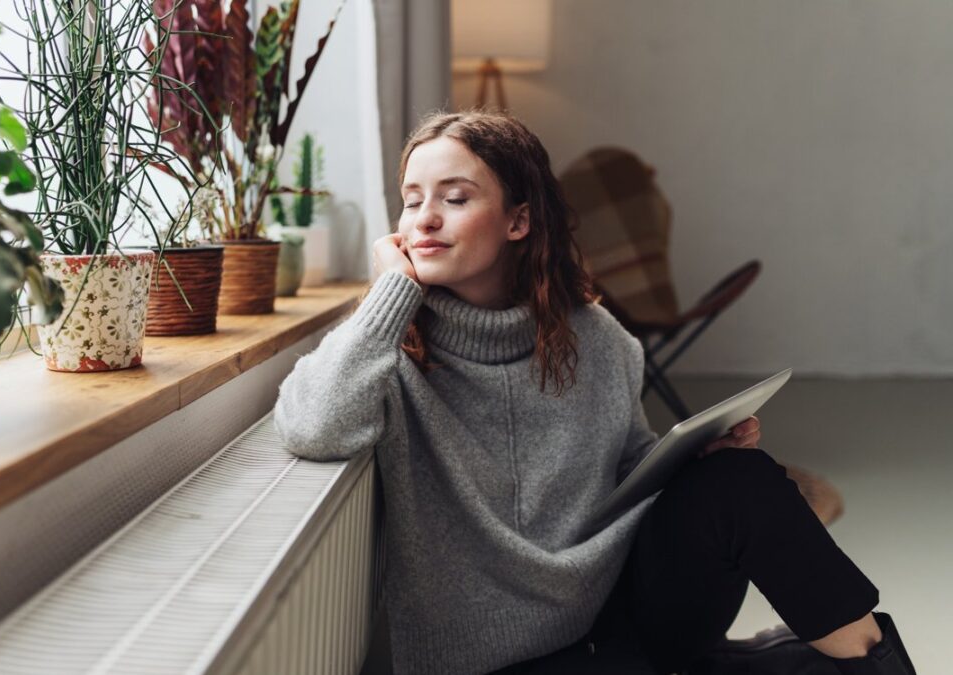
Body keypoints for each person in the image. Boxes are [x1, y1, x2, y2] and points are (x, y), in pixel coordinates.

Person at [272, 110, 916, 675]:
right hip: (491, 661)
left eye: (456, 198)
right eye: (412, 201)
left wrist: (696, 461)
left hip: (615, 615)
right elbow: (313, 427)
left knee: (740, 480)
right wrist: (390, 295)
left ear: (518, 220)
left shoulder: (595, 336)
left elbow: (626, 467)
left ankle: (875, 667)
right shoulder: (384, 345)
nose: (425, 220)